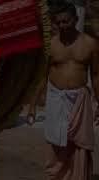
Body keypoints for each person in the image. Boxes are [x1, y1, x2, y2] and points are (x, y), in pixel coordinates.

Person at [27, 3, 99, 180]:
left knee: (79, 146)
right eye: (58, 23)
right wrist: (32, 106)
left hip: (80, 102)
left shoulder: (90, 44)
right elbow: (42, 78)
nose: (62, 26)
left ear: (75, 19)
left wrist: (98, 101)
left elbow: (96, 75)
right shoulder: (51, 46)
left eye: (66, 21)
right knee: (55, 145)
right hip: (56, 98)